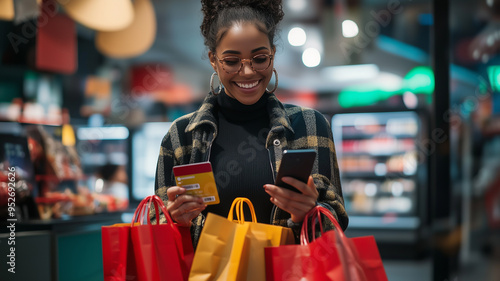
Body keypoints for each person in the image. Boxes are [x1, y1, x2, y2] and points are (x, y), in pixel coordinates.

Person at [154, 0, 348, 248]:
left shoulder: (310, 125)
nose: (247, 72)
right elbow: (156, 228)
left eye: (259, 58)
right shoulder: (181, 135)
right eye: (232, 61)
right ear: (214, 60)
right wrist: (173, 219)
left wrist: (308, 213)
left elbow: (336, 223)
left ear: (273, 55)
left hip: (289, 273)